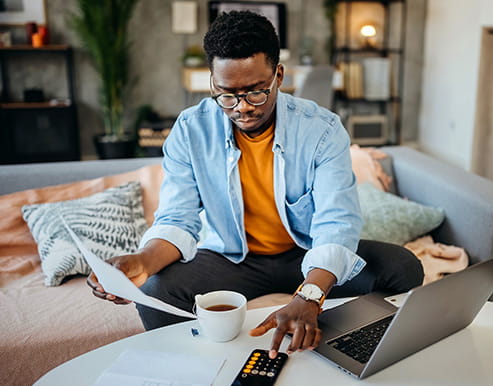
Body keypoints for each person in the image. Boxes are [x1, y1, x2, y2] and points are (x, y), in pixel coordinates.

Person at [88, 10, 423, 359]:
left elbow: (336, 223)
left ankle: (346, 347)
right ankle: (199, 368)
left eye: (256, 93)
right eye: (227, 95)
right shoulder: (190, 130)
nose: (242, 109)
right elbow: (177, 218)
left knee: (402, 268)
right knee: (157, 290)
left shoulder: (321, 130)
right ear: (213, 81)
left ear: (279, 75)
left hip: (305, 253)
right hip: (231, 258)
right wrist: (143, 261)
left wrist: (310, 295)